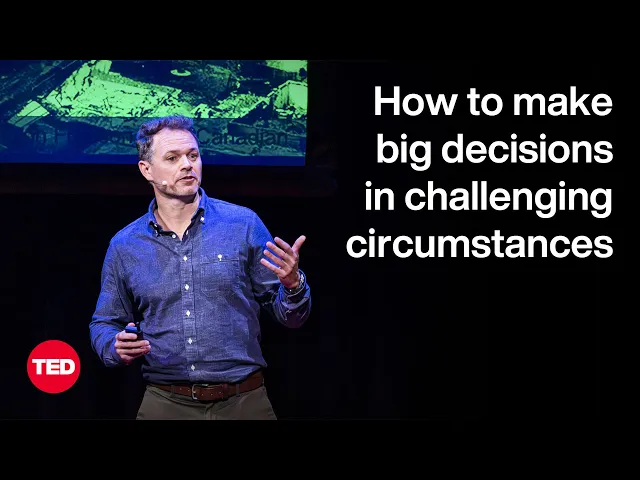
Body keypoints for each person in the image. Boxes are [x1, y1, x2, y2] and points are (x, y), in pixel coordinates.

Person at [89, 115, 311, 420]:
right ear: (146, 169)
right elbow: (103, 323)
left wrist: (293, 285)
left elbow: (291, 318)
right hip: (166, 403)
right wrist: (114, 347)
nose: (187, 165)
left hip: (243, 401)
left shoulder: (243, 224)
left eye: (193, 155)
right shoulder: (126, 245)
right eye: (172, 158)